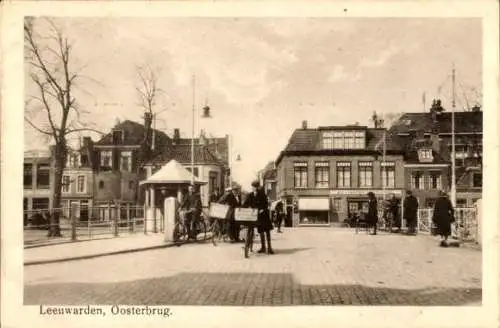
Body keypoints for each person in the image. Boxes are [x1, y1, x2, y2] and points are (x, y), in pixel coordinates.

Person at [243, 180, 274, 254]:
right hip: (255, 216)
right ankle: (263, 247)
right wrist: (241, 209)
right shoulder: (250, 195)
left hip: (264, 215)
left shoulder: (262, 194)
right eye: (253, 187)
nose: (254, 188)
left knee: (267, 231)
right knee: (261, 231)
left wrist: (262, 210)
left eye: (255, 187)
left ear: (258, 187)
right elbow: (245, 204)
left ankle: (269, 248)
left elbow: (266, 204)